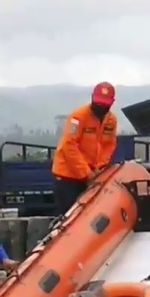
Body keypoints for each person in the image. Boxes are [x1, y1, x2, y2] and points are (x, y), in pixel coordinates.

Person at [51, 82, 119, 216]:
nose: (100, 107)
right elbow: (68, 146)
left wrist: (100, 168)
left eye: (104, 104)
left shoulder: (111, 121)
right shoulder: (78, 117)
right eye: (98, 103)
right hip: (68, 177)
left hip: (92, 176)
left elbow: (109, 144)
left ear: (112, 103)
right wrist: (86, 173)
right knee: (70, 217)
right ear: (92, 97)